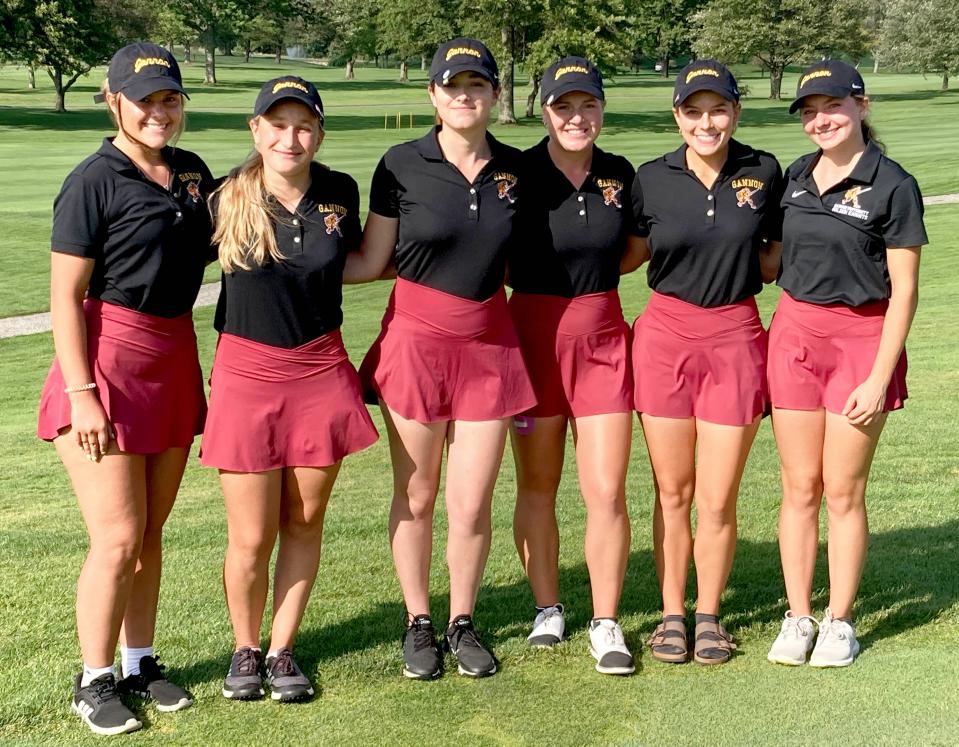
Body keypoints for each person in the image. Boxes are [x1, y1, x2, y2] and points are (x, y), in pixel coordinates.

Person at [346, 37, 535, 679]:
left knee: (472, 500)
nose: (465, 96)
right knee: (418, 492)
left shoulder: (516, 170)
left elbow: (523, 259)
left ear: (494, 94)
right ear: (433, 95)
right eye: (453, 87)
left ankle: (462, 621)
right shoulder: (400, 164)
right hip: (418, 343)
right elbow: (372, 261)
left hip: (490, 344)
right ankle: (419, 621)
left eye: (477, 86)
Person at [37, 43, 211, 735]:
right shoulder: (93, 180)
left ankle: (140, 661)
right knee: (117, 537)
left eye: (170, 99)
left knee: (152, 535)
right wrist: (82, 393)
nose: (160, 111)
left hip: (172, 358)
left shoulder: (192, 174)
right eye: (145, 100)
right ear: (115, 101)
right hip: (107, 361)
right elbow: (62, 296)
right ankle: (94, 677)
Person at [200, 77, 378, 701]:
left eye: (303, 125)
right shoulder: (225, 197)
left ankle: (281, 651)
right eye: (277, 124)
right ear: (256, 131)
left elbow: (355, 263)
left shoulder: (339, 192)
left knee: (304, 522)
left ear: (320, 133)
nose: (290, 137)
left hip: (320, 371)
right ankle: (244, 650)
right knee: (251, 535)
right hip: (247, 376)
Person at [765, 60, 926, 668]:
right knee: (798, 486)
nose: (820, 119)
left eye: (831, 106)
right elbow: (773, 260)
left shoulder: (893, 183)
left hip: (862, 343)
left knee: (843, 490)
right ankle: (799, 614)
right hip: (795, 336)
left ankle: (839, 622)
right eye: (809, 111)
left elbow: (905, 292)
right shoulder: (796, 177)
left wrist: (880, 375)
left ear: (861, 105)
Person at [627, 60, 784, 665]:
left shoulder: (763, 171)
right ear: (677, 116)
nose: (706, 122)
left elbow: (772, 255)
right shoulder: (652, 178)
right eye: (693, 111)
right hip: (665, 338)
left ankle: (710, 614)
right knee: (673, 491)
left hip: (736, 338)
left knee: (717, 499)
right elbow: (631, 254)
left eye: (718, 109)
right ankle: (671, 614)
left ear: (736, 113)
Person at [508, 56, 641, 675]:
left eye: (588, 105)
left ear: (601, 110)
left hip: (604, 338)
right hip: (532, 336)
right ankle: (547, 607)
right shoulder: (517, 172)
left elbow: (634, 248)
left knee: (607, 488)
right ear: (545, 111)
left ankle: (606, 620)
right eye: (564, 107)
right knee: (538, 484)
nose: (577, 117)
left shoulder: (620, 174)